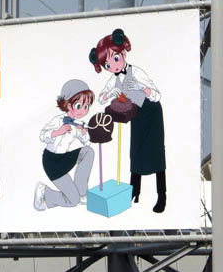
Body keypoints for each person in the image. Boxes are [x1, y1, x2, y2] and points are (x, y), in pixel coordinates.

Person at [90, 28, 167, 213]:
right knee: (136, 153)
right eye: (108, 65)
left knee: (156, 155)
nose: (113, 66)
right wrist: (111, 93)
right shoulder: (114, 79)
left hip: (151, 113)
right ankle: (134, 191)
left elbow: (156, 94)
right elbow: (101, 98)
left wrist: (143, 89)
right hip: (136, 116)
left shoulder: (136, 72)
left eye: (115, 59)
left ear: (123, 53)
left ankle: (162, 196)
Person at [34, 80, 96, 210]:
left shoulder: (78, 124)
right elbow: (42, 135)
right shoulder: (58, 120)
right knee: (73, 201)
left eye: (86, 107)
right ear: (68, 105)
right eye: (79, 106)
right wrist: (57, 132)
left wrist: (85, 133)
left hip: (65, 158)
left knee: (88, 151)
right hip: (52, 162)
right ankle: (45, 192)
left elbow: (87, 142)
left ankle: (82, 191)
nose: (83, 111)